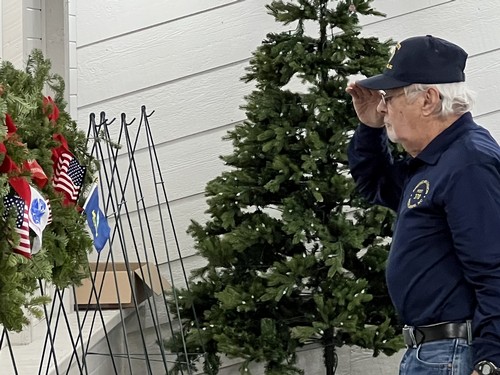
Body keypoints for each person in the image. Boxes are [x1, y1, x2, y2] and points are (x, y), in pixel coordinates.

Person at [346, 35, 500, 375]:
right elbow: (375, 185)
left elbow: (495, 269)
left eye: (390, 96)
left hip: (456, 353)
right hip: (436, 352)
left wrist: (490, 362)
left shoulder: (468, 163)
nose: (383, 107)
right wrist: (369, 128)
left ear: (428, 100)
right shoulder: (438, 160)